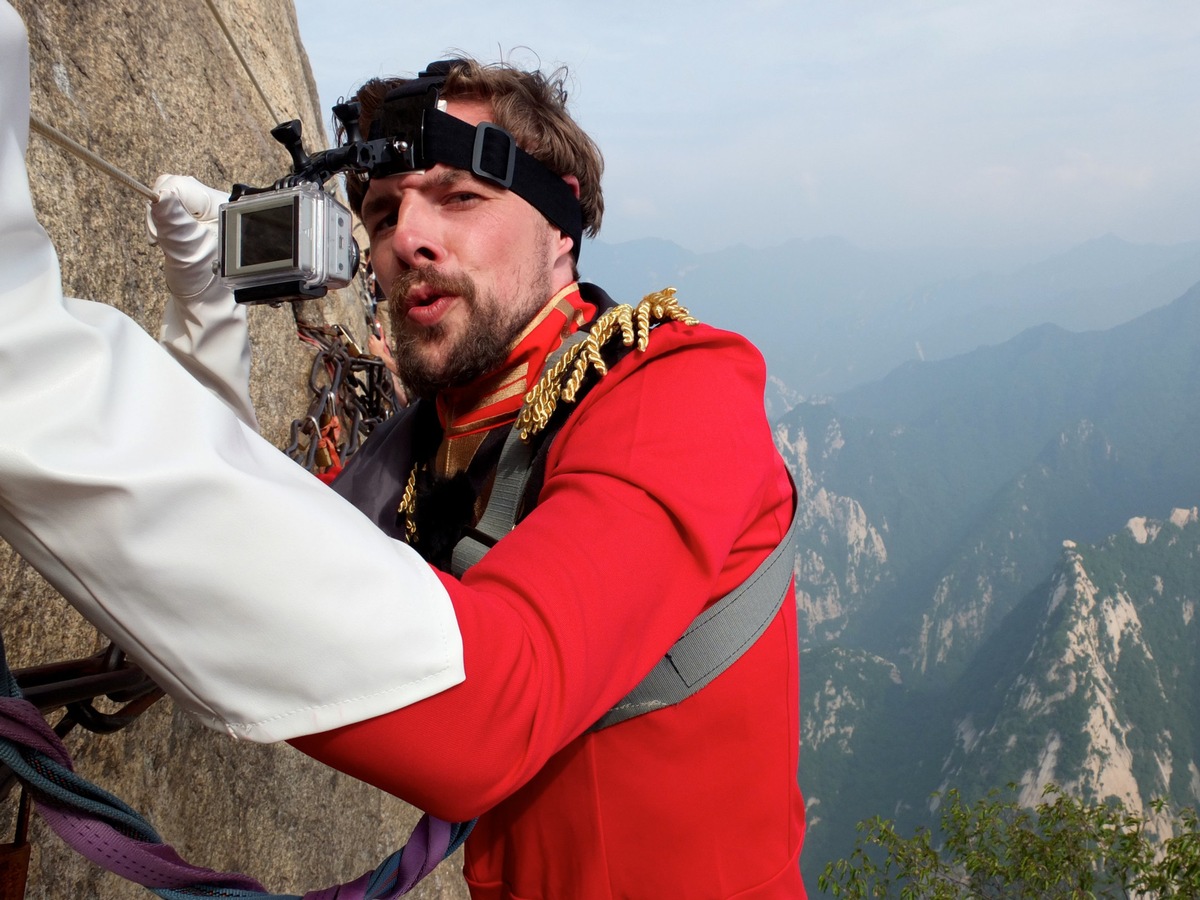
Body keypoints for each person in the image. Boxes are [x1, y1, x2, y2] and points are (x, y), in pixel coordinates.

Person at [0, 4, 805, 896]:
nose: (408, 240)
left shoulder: (676, 391)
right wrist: (204, 331)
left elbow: (490, 709)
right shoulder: (433, 438)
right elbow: (258, 575)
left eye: (460, 198)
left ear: (560, 226)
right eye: (382, 215)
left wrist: (27, 366)